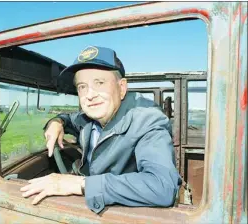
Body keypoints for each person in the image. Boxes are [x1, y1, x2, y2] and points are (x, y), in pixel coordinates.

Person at [20, 46, 182, 214]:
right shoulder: (89, 118)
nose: (90, 95)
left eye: (100, 83)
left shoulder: (147, 120)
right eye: (82, 86)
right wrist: (56, 122)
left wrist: (79, 184)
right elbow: (69, 118)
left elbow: (162, 187)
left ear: (122, 88)